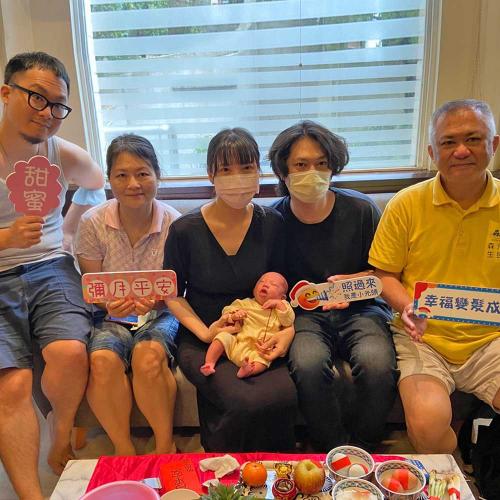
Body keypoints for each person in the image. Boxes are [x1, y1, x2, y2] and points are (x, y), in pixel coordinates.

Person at [0, 52, 104, 499]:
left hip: (51, 268)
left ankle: (60, 435)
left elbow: (96, 182)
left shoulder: (60, 153)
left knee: (69, 352)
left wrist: (66, 229)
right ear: (6, 93)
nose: (48, 113)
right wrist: (6, 238)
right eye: (37, 98)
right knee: (13, 384)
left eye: (58, 105)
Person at [369, 99, 500, 453]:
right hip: (423, 338)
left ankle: (480, 450)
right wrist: (407, 307)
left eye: (473, 139)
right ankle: (456, 471)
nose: (461, 151)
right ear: (432, 151)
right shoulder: (406, 203)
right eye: (448, 142)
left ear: (493, 144)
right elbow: (384, 275)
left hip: (491, 339)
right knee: (427, 427)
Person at [267, 120, 398, 451]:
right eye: (301, 165)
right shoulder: (273, 220)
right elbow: (269, 280)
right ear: (283, 171)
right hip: (303, 315)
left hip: (363, 309)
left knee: (377, 365)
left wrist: (352, 284)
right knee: (308, 364)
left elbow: (384, 271)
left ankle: (365, 447)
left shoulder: (361, 209)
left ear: (333, 167)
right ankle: (333, 449)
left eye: (321, 163)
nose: (312, 172)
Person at [164, 128, 298, 452]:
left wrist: (288, 332)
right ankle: (222, 466)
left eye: (246, 167)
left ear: (259, 172)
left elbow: (284, 286)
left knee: (284, 394)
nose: (237, 177)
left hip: (260, 331)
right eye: (225, 169)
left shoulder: (273, 222)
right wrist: (206, 332)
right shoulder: (184, 230)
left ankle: (275, 471)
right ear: (211, 174)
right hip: (206, 336)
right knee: (244, 400)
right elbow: (172, 295)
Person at [75, 134, 180, 456]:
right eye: (122, 175)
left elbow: (180, 286)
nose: (133, 184)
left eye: (143, 173)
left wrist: (157, 301)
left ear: (157, 176)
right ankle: (124, 448)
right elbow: (92, 285)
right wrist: (109, 303)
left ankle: (165, 444)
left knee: (148, 358)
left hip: (160, 312)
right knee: (102, 360)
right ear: (110, 179)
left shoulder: (175, 223)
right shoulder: (92, 222)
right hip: (110, 315)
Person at [201, 271, 295, 378]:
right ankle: (209, 363)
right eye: (261, 281)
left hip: (259, 349)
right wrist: (234, 315)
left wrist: (279, 304)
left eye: (273, 284)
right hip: (237, 342)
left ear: (282, 297)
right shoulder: (245, 303)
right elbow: (227, 311)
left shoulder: (281, 308)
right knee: (222, 337)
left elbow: (288, 321)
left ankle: (248, 371)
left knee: (264, 359)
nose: (265, 284)